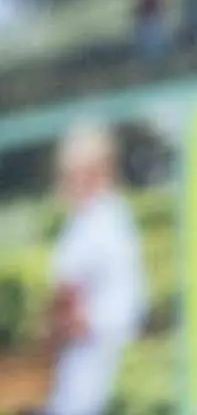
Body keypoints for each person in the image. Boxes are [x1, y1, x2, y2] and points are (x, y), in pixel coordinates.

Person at [43, 122, 143, 415]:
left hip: (98, 355)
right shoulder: (92, 218)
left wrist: (70, 324)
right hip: (85, 357)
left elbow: (71, 292)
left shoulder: (104, 220)